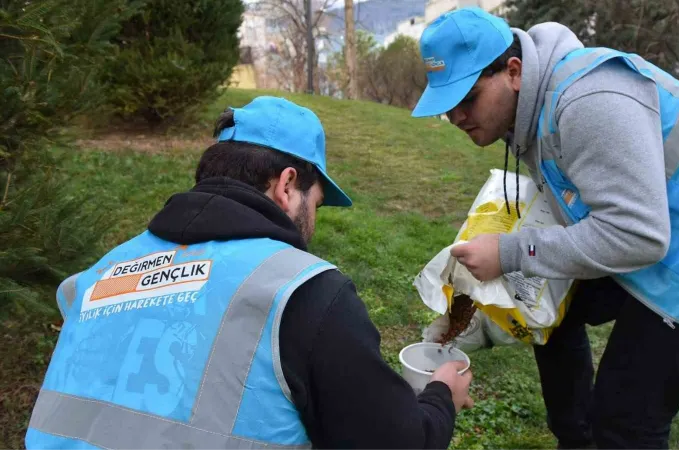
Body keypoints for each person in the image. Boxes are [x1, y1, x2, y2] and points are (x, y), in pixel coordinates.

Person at [410, 7, 679, 450]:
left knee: (627, 415)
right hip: (655, 224)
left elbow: (638, 236)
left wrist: (512, 253)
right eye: (447, 104)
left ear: (513, 71)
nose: (457, 116)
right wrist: (477, 318)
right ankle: (577, 441)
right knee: (556, 319)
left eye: (468, 98)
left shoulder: (587, 102)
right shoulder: (531, 110)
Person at [26, 96, 474, 450]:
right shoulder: (304, 293)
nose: (314, 224)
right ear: (286, 185)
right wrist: (440, 397)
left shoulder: (98, 274)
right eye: (315, 203)